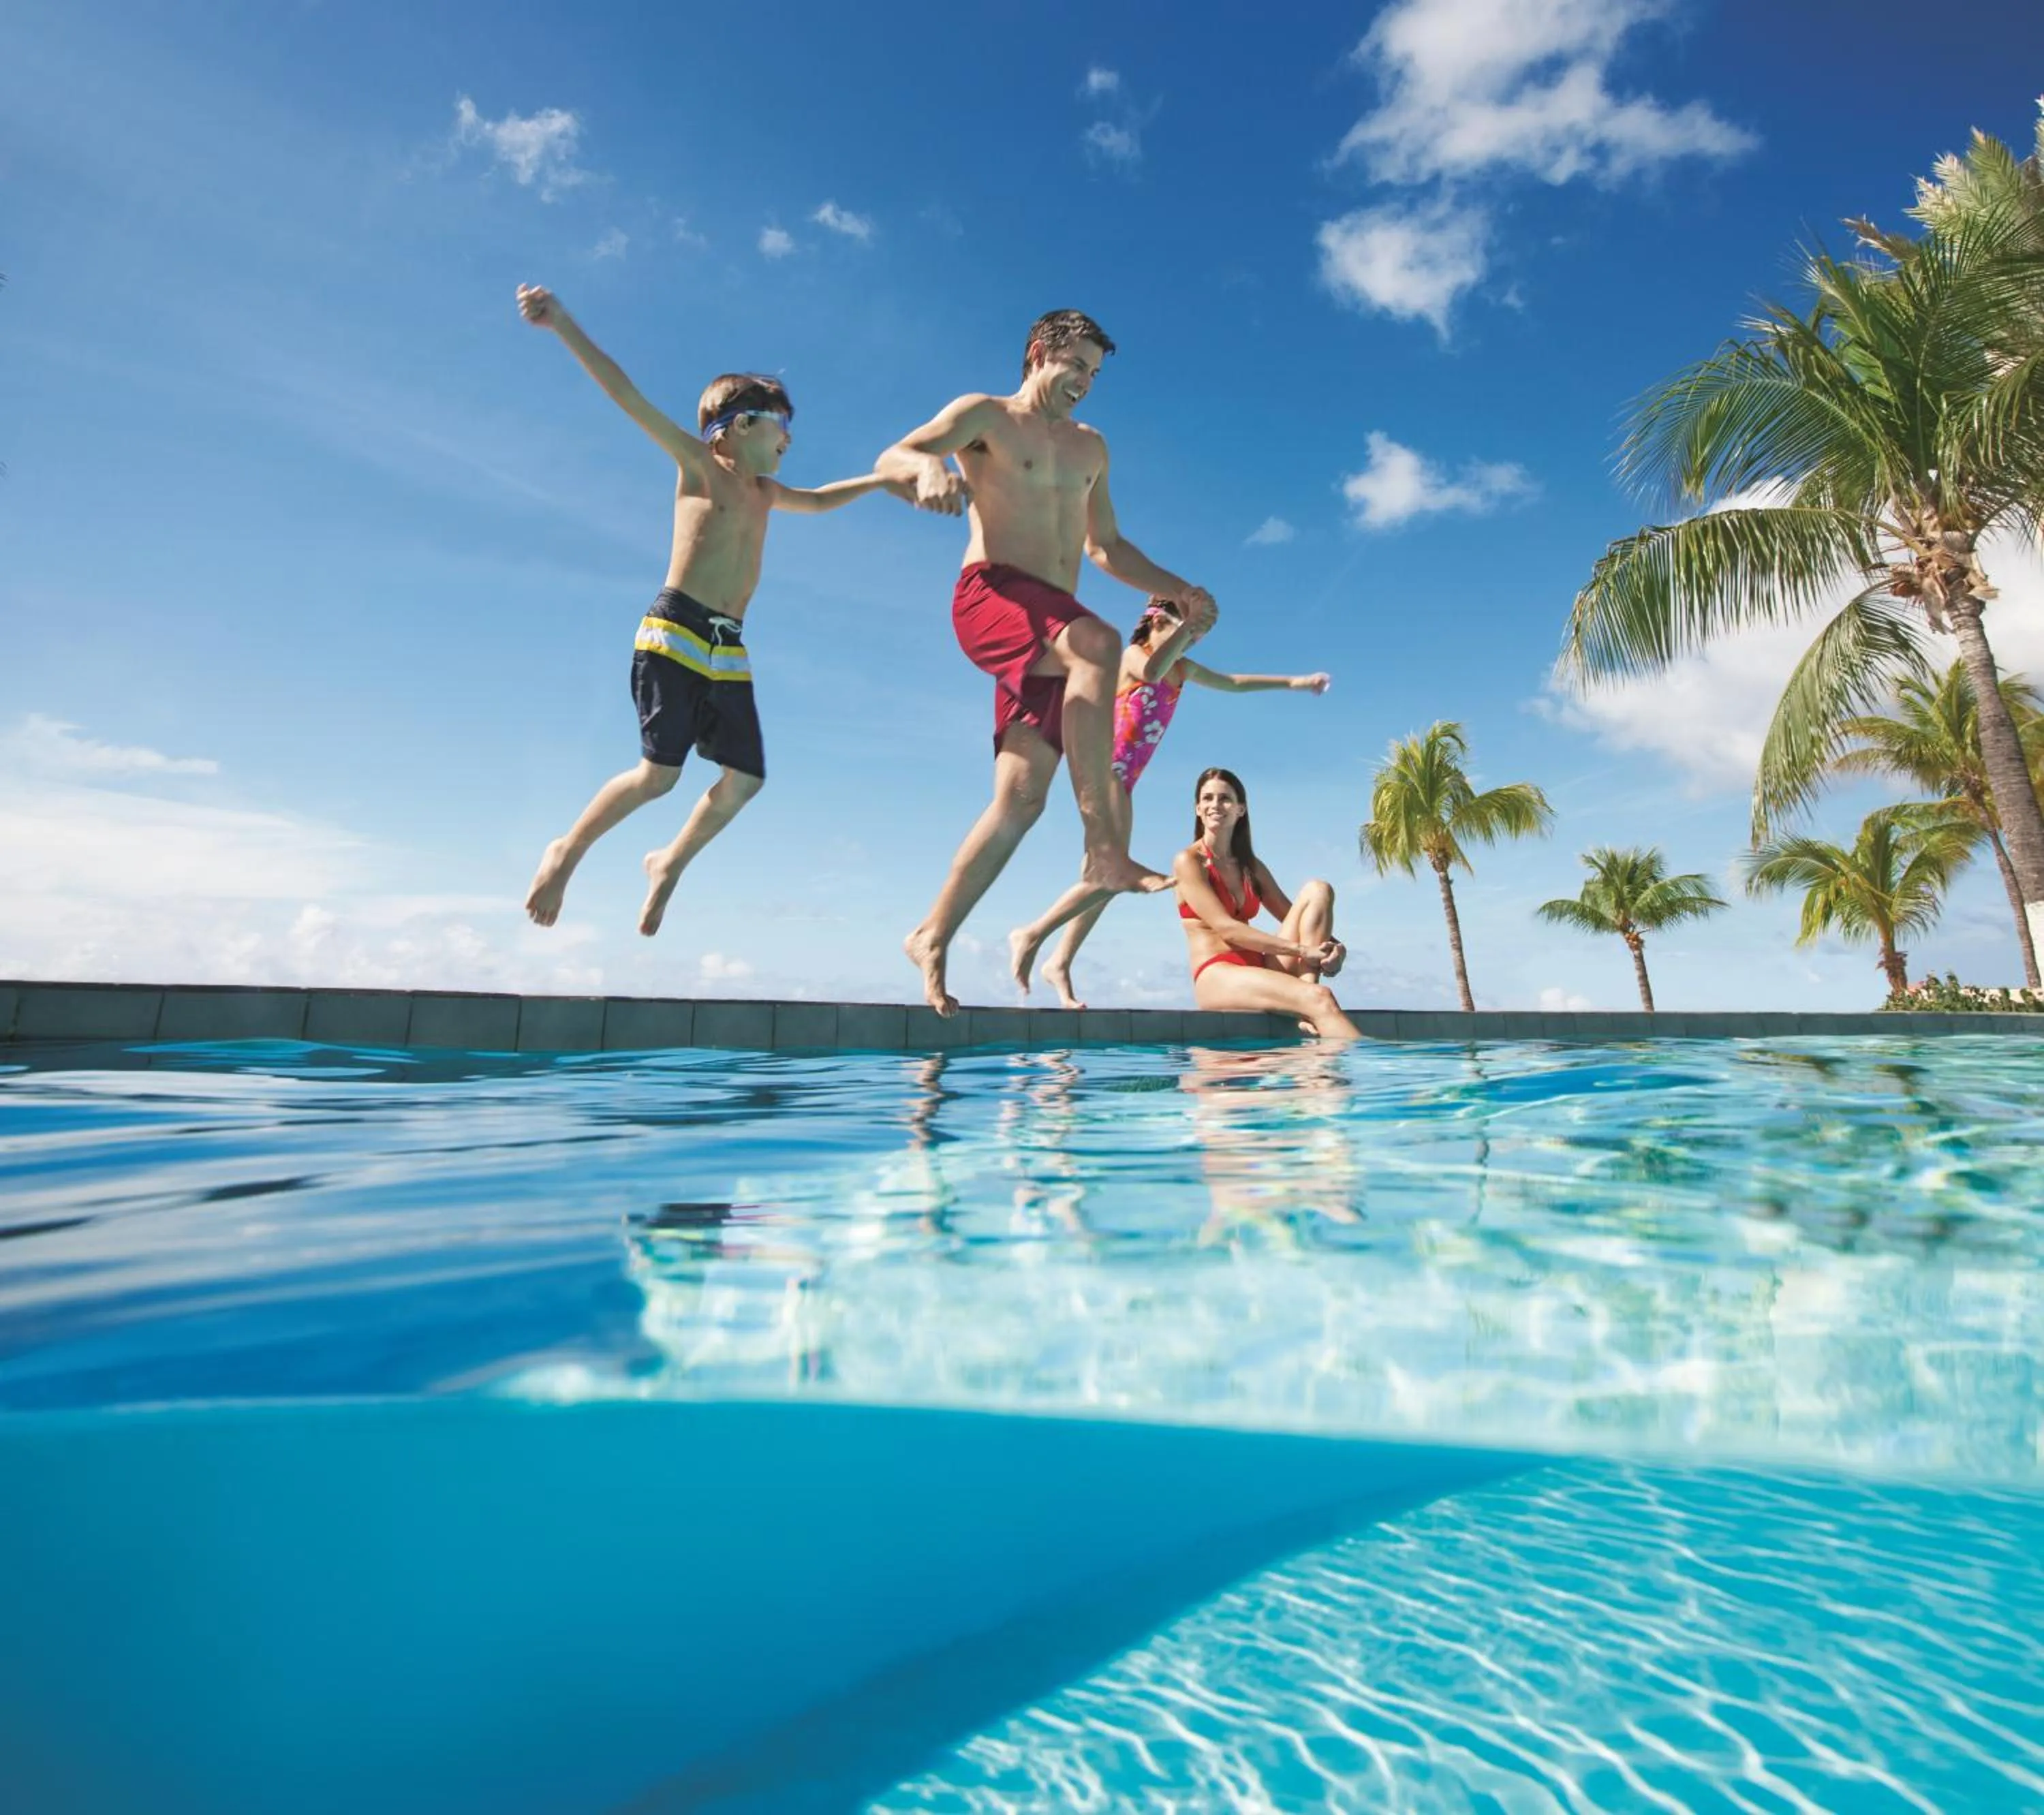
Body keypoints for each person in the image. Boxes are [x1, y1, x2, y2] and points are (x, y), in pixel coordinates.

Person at [515, 284, 901, 937]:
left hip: (726, 643)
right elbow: (624, 392)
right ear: (738, 427)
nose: (788, 441)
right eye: (781, 426)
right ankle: (567, 850)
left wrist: (886, 479)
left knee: (745, 778)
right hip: (675, 630)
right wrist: (563, 325)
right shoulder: (699, 466)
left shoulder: (768, 493)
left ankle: (668, 862)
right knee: (658, 776)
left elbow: (824, 499)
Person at [876, 308, 1219, 1015]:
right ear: (1039, 354)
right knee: (1098, 644)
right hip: (992, 596)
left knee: (1022, 798)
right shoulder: (987, 417)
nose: (1087, 385)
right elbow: (896, 455)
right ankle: (1103, 848)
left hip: (1050, 635)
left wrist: (1177, 591)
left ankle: (931, 935)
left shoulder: (1091, 448)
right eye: (1077, 368)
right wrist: (930, 469)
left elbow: (1106, 549)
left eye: (1096, 374)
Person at [1008, 596, 1331, 1008]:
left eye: (1197, 636)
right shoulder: (1133, 656)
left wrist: (1295, 683)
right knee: (1111, 873)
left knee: (1107, 877)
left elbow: (1233, 683)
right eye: (1189, 632)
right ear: (1158, 621)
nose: (1193, 642)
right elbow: (1151, 670)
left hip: (1125, 783)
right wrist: (1185, 629)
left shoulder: (1182, 668)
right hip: (1101, 770)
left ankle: (1058, 959)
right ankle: (1033, 936)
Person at [1173, 766, 1360, 1040]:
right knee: (1320, 1000)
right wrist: (1302, 950)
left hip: (1260, 967)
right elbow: (1228, 930)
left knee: (1317, 890)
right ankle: (1313, 1010)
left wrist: (1336, 950)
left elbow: (1294, 915)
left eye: (1225, 798)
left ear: (1240, 809)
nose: (1216, 805)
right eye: (1208, 798)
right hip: (1217, 974)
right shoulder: (1189, 862)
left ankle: (1306, 1002)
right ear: (1198, 809)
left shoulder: (1251, 867)